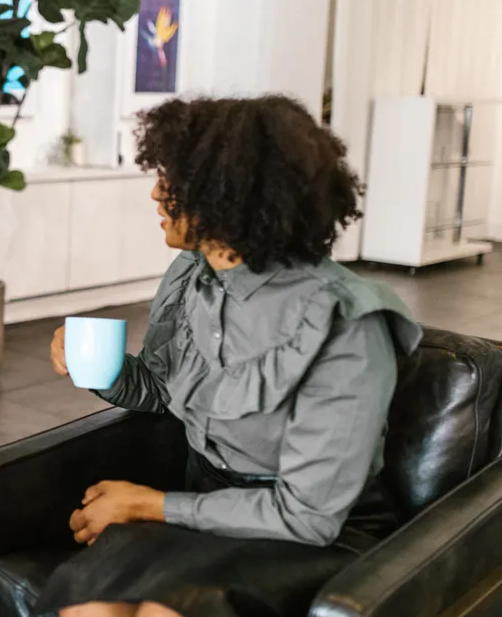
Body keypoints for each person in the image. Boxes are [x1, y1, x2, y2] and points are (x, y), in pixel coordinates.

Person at [39, 95, 422, 617]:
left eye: (172, 179)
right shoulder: (192, 275)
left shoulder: (346, 324)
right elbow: (160, 388)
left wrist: (148, 505)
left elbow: (308, 516)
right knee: (86, 608)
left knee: (166, 613)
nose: (155, 193)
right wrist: (97, 370)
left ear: (229, 194)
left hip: (314, 536)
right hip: (207, 508)